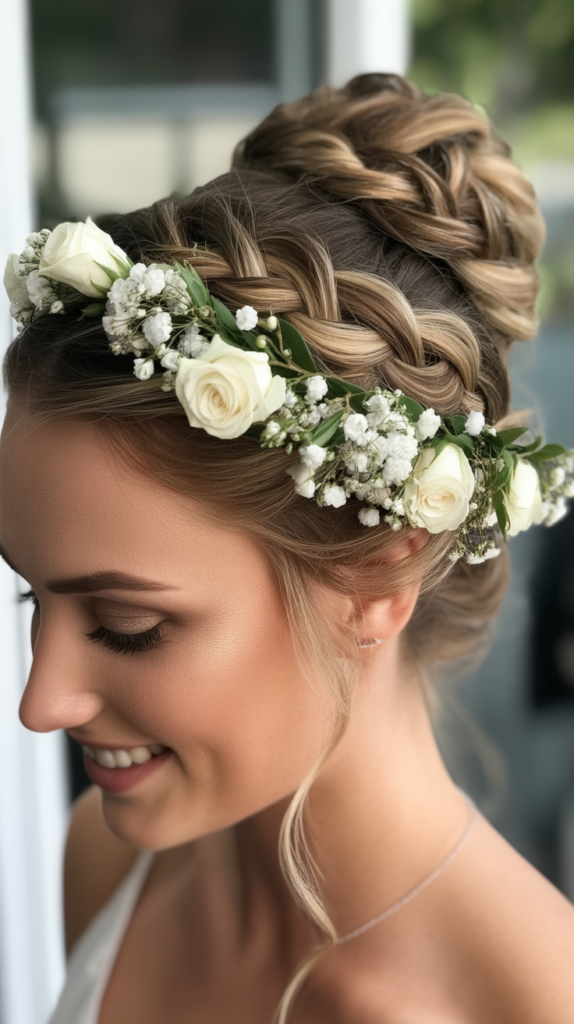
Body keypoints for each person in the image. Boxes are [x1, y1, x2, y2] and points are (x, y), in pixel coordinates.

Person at [1, 73, 574, 1024]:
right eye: (34, 601)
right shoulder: (108, 861)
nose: (39, 702)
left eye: (126, 624)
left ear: (381, 568)